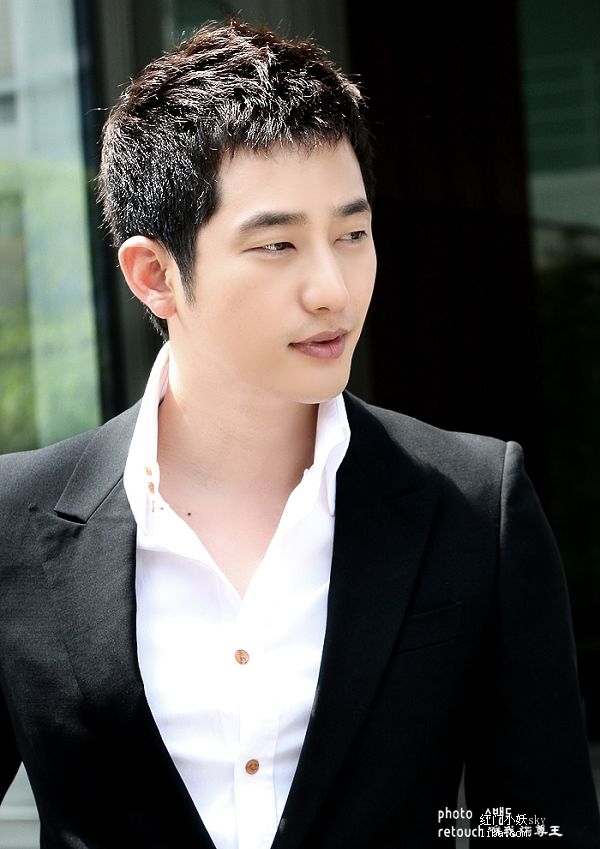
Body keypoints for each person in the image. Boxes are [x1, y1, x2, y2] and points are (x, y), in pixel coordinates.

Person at [0, 16, 598, 849]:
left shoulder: (472, 504)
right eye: (278, 243)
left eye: (352, 234)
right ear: (154, 274)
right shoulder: (15, 519)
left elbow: (537, 824)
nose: (332, 289)